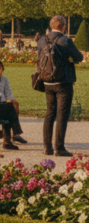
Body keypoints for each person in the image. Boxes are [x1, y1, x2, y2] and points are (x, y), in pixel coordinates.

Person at [38, 16, 84, 156]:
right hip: (63, 81)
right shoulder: (65, 40)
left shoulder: (41, 40)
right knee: (62, 114)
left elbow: (39, 59)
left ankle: (47, 147)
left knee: (49, 113)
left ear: (51, 25)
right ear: (63, 26)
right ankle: (59, 147)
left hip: (47, 82)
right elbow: (79, 57)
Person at [0, 60, 27, 144]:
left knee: (15, 104)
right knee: (9, 109)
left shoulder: (5, 80)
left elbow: (8, 93)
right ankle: (13, 133)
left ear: (2, 69)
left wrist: (12, 100)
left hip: (2, 102)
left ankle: (14, 133)